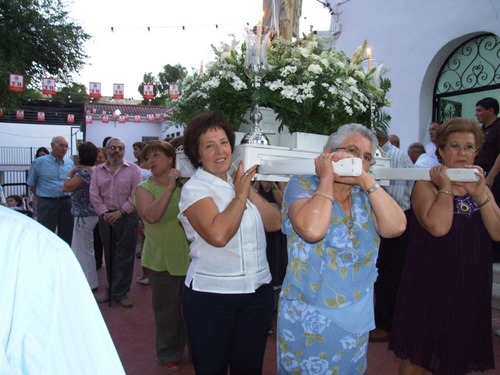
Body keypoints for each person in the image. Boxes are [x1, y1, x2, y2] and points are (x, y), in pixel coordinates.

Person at [277, 123, 406, 373]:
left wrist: (365, 178)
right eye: (351, 151)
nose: (358, 160)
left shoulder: (365, 194)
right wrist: (326, 178)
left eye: (366, 157)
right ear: (328, 154)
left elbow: (396, 227)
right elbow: (312, 230)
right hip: (309, 315)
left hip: (355, 314)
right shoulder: (303, 185)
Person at [389, 118, 500, 374]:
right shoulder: (425, 185)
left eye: (469, 147)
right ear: (440, 150)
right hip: (430, 282)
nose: (462, 153)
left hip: (469, 284)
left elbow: (497, 232)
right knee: (418, 353)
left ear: (477, 151)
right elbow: (439, 227)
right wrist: (447, 187)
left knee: (457, 352)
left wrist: (481, 194)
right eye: (454, 146)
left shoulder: (481, 189)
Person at [178, 111, 281, 375]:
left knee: (249, 368)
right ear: (197, 154)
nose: (220, 151)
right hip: (212, 298)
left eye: (224, 142)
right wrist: (241, 194)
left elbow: (275, 222)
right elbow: (219, 235)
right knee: (211, 368)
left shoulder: (238, 184)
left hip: (257, 294)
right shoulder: (195, 189)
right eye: (209, 145)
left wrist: (245, 191)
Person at [0, 205, 125, 374]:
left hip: (98, 216)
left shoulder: (43, 251)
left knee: (94, 251)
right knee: (86, 250)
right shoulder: (40, 249)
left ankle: (102, 285)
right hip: (90, 214)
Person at [134, 140, 190, 371]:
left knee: (192, 310)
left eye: (156, 155)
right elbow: (152, 215)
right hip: (161, 259)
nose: (151, 161)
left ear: (171, 159)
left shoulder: (187, 185)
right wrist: (169, 186)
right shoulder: (144, 188)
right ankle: (169, 352)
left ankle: (194, 347)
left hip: (190, 257)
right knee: (167, 311)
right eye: (148, 158)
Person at [370, 131, 415, 342]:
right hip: (383, 220)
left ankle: (386, 325)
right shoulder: (383, 153)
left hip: (395, 221)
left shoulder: (394, 157)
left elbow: (395, 198)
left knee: (388, 277)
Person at [89, 138, 142, 308]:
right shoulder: (98, 171)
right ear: (106, 150)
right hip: (105, 217)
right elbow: (94, 194)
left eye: (120, 148)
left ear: (124, 151)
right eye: (112, 148)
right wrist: (104, 213)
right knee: (109, 254)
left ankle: (122, 292)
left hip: (126, 216)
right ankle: (112, 289)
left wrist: (121, 212)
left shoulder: (133, 169)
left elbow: (136, 194)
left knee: (125, 256)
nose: (116, 151)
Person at [63, 142, 99, 291]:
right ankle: (86, 280)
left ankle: (90, 282)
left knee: (84, 250)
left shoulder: (83, 173)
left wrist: (69, 173)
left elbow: (66, 187)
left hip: (84, 215)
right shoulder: (96, 171)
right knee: (83, 248)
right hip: (92, 213)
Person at [27, 136, 74, 245]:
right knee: (46, 236)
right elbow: (32, 184)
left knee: (67, 236)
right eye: (61, 145)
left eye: (66, 146)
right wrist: (44, 197)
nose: (64, 149)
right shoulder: (39, 162)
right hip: (47, 203)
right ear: (52, 146)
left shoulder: (69, 163)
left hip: (66, 203)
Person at [474, 97, 500, 262]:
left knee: (493, 210)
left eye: (479, 110)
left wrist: (491, 177)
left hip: (494, 179)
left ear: (491, 110)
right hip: (480, 178)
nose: (476, 114)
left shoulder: (498, 128)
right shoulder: (482, 130)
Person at [94, 147, 107, 270]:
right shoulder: (95, 171)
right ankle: (97, 261)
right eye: (96, 157)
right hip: (97, 211)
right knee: (97, 238)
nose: (98, 160)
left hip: (113, 213)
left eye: (100, 157)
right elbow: (94, 193)